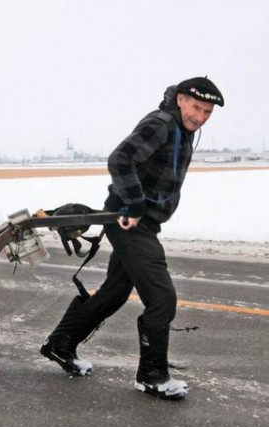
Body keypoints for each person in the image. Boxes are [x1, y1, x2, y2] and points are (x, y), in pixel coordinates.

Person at [40, 77, 224, 400]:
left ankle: (60, 343)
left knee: (114, 293)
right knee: (162, 297)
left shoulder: (182, 130)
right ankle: (152, 375)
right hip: (130, 221)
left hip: (142, 222)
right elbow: (120, 159)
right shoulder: (162, 123)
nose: (201, 117)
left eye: (207, 112)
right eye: (197, 108)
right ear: (180, 99)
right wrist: (136, 203)